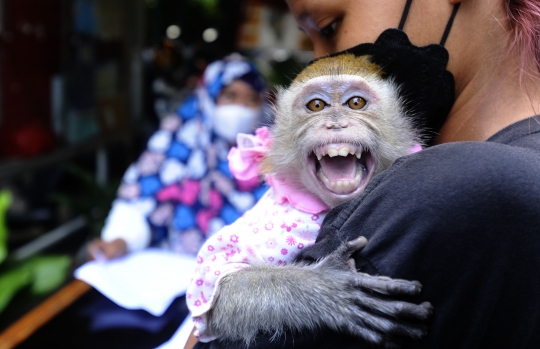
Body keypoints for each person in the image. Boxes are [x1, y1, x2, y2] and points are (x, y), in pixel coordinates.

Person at [190, 0, 540, 348]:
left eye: (329, 27)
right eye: (314, 105)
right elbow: (212, 302)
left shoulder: (449, 186)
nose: (321, 59)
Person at [88, 54, 268, 260]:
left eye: (252, 99)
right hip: (171, 273)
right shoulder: (176, 142)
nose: (240, 107)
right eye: (229, 96)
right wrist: (120, 241)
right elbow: (140, 199)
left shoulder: (274, 156)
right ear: (209, 97)